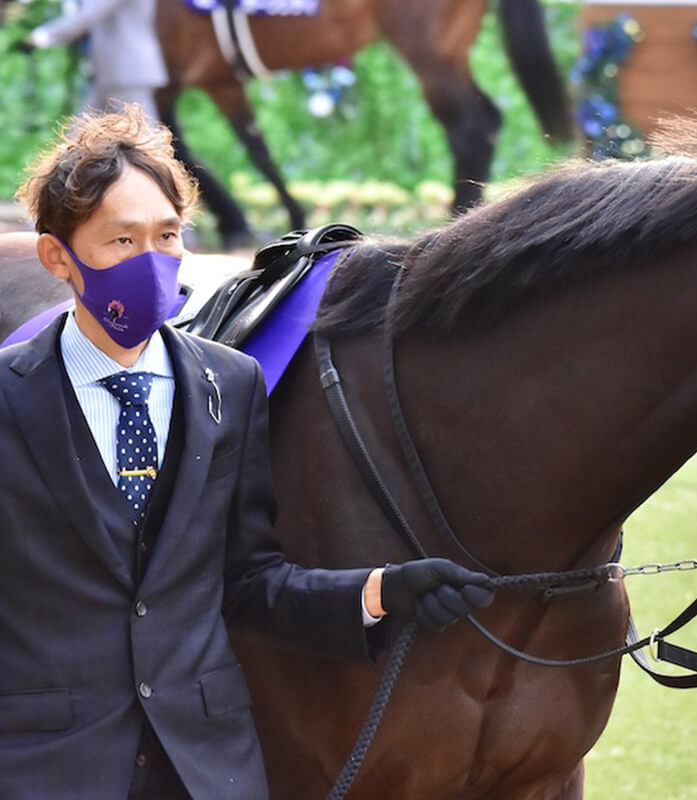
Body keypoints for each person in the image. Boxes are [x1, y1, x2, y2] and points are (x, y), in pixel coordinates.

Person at [0, 106, 494, 799]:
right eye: (120, 241)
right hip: (43, 772)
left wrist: (381, 590)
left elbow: (247, 580)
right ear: (58, 256)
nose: (151, 261)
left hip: (205, 769)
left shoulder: (230, 384)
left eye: (167, 235)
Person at [18, 0, 167, 121]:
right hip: (112, 73)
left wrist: (41, 37)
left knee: (145, 140)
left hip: (126, 71)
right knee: (79, 137)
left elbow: (89, 15)